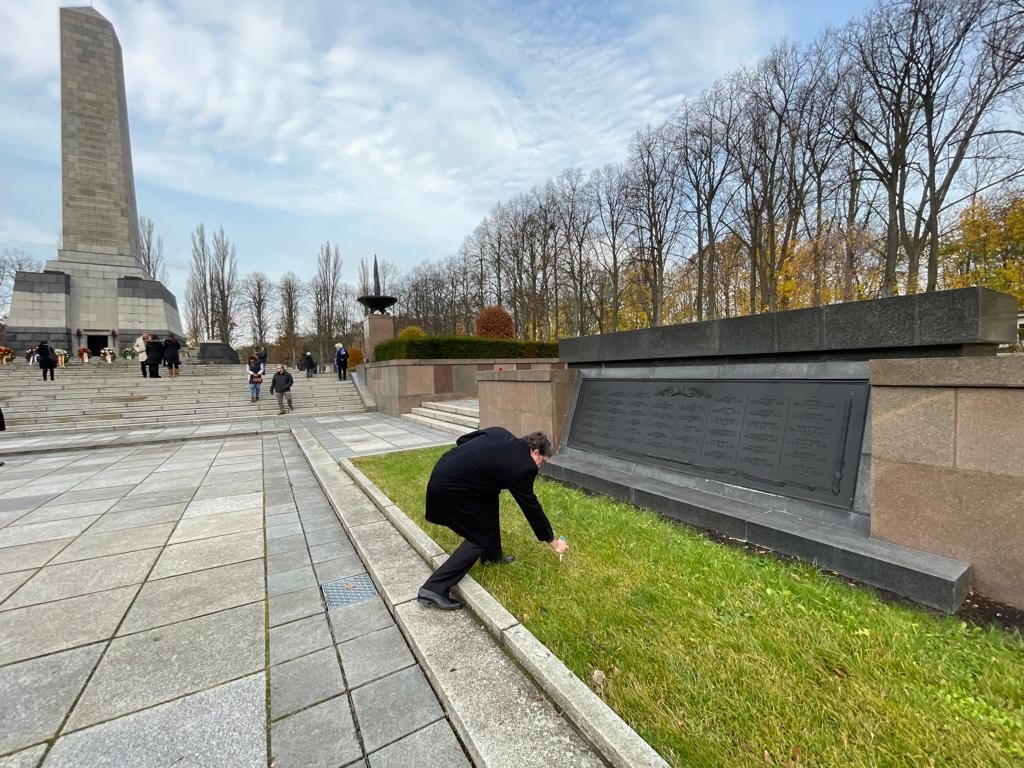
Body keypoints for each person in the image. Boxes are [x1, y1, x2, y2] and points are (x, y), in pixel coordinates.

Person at [417, 428, 568, 610]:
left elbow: (462, 440)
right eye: (541, 461)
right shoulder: (523, 466)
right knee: (480, 537)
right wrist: (551, 540)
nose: (539, 466)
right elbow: (530, 506)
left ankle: (491, 557)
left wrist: (477, 466)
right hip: (450, 489)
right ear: (535, 452)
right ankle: (433, 588)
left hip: (443, 470)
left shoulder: (500, 433)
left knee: (490, 497)